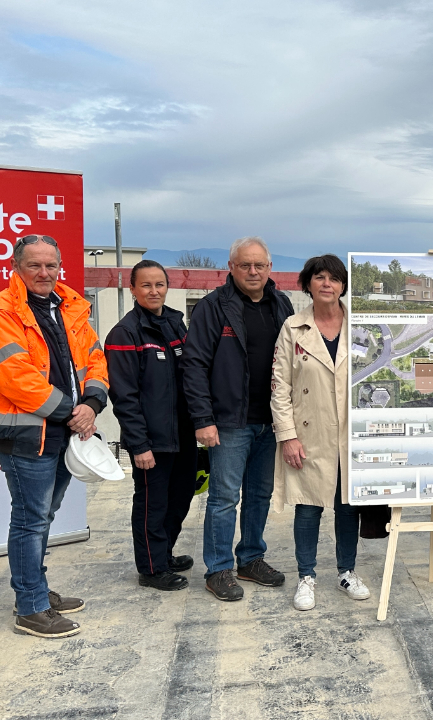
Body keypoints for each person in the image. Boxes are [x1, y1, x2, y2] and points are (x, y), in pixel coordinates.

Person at [0, 234, 108, 638]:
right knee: (31, 519)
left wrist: (93, 404)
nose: (44, 273)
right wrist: (75, 414)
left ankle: (37, 590)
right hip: (26, 435)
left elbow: (95, 360)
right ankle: (30, 606)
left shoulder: (70, 308)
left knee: (43, 515)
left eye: (51, 265)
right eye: (35, 265)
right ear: (16, 268)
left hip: (64, 430)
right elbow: (18, 381)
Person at [183, 236, 295, 601]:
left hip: (271, 421)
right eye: (244, 265)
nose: (252, 271)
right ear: (230, 268)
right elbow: (194, 365)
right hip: (230, 422)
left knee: (260, 495)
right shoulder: (213, 308)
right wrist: (203, 418)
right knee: (223, 498)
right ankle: (218, 569)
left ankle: (250, 557)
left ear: (268, 268)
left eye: (259, 265)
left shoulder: (281, 304)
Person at [272, 255, 369, 610]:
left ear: (343, 286)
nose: (327, 283)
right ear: (307, 284)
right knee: (309, 507)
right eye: (320, 277)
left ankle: (347, 571)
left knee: (347, 506)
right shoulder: (293, 328)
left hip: (350, 435)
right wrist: (288, 436)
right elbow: (280, 386)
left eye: (334, 278)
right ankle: (306, 576)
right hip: (309, 435)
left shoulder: (361, 326)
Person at [105, 260, 197, 592]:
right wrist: (138, 444)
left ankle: (164, 552)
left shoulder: (176, 325)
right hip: (152, 441)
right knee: (151, 504)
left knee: (182, 496)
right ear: (132, 289)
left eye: (159, 284)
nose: (154, 291)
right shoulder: (125, 334)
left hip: (183, 435)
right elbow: (124, 396)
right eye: (146, 285)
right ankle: (151, 568)